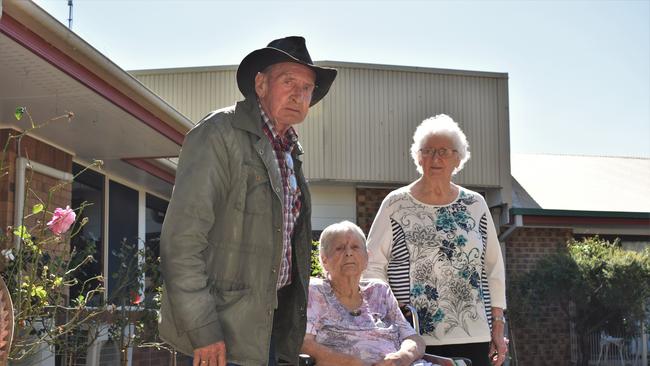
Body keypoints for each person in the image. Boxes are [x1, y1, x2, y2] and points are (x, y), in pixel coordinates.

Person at [158, 36, 337, 366]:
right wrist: (203, 327)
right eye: (288, 82)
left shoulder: (289, 152)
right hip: (220, 336)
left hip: (267, 328)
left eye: (307, 87)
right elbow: (181, 243)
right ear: (260, 83)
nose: (299, 94)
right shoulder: (218, 134)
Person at [363, 114, 508, 366]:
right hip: (413, 336)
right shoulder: (396, 204)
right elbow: (372, 265)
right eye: (427, 151)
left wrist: (497, 324)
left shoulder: (476, 204)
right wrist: (389, 315)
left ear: (458, 158)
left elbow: (493, 268)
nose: (435, 158)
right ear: (417, 157)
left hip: (474, 334)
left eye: (443, 151)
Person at [302, 221, 429, 366]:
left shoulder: (379, 291)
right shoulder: (315, 292)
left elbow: (413, 338)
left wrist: (402, 357)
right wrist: (347, 362)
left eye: (355, 247)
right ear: (324, 260)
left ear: (367, 257)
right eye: (339, 248)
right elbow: (304, 344)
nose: (349, 253)